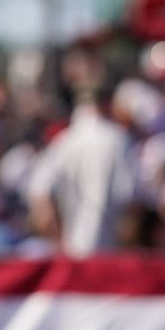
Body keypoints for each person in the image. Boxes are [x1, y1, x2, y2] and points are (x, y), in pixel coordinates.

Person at [22, 84, 137, 258]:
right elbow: (132, 201)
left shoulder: (65, 141)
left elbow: (38, 194)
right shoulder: (119, 140)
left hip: (74, 256)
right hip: (109, 257)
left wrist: (58, 241)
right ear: (108, 104)